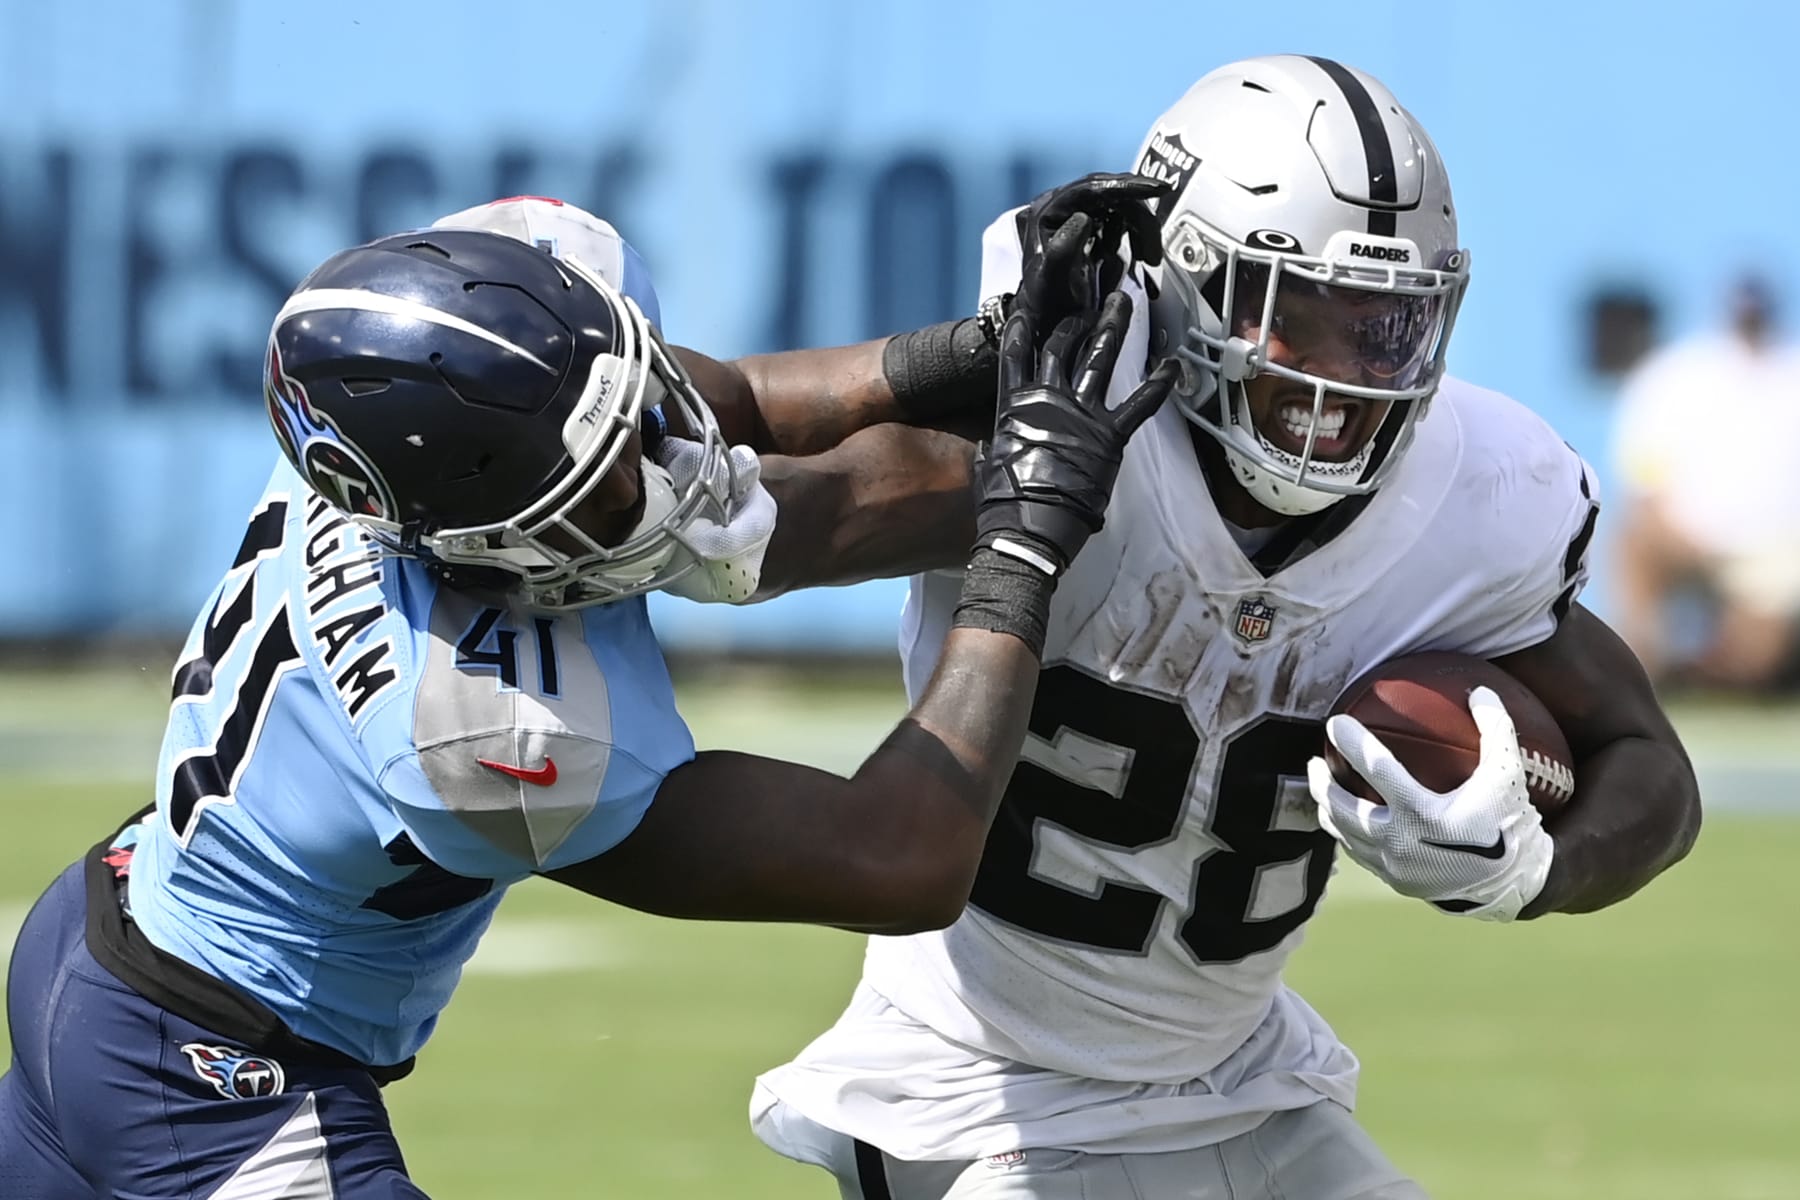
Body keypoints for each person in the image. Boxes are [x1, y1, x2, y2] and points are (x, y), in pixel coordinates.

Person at [0, 191, 1176, 1197]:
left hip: (108, 934)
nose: (657, 470)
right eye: (602, 489)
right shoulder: (484, 733)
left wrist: (960, 351)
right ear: (472, 547)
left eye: (632, 416)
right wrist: (1021, 552)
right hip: (209, 1072)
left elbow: (721, 401)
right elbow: (898, 856)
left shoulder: (413, 394)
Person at [752, 54, 1703, 1199]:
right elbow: (771, 528)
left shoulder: (1477, 502)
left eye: (1386, 328)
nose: (1348, 381)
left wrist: (1534, 870)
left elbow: (1655, 772)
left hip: (1243, 1084)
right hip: (970, 1090)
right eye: (1301, 316)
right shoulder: (1066, 428)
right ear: (1189, 285)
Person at [1610, 273, 1800, 692]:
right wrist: (1677, 534)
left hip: (1770, 556)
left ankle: (1706, 669)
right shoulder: (1677, 376)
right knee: (1635, 542)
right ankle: (1638, 674)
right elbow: (1645, 483)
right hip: (1686, 542)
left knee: (1756, 662)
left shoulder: (1791, 376)